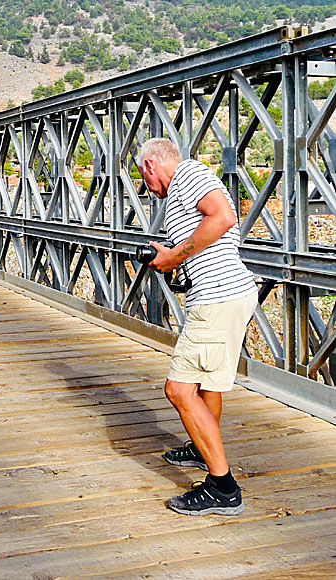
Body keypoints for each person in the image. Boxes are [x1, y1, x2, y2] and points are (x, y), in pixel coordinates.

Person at [137, 138, 257, 516]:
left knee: (178, 389)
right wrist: (173, 260)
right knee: (207, 382)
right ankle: (199, 446)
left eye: (144, 178)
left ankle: (222, 487)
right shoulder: (187, 184)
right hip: (227, 293)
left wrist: (173, 256)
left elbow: (222, 217)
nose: (147, 188)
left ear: (150, 166)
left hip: (218, 299)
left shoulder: (187, 173)